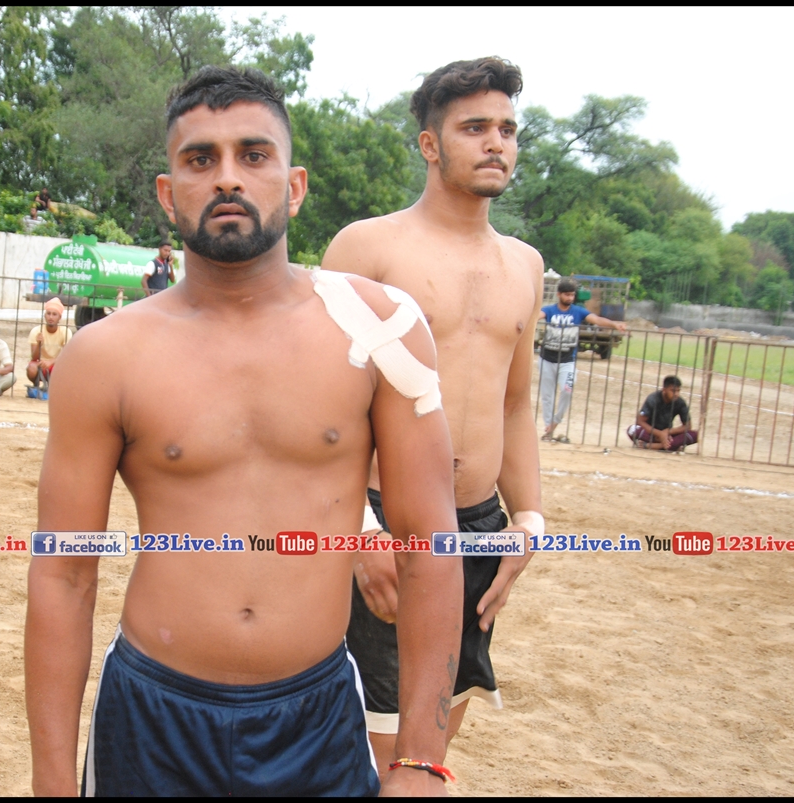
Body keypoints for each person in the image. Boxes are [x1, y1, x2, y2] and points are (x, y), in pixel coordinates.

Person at [25, 66, 461, 797]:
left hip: (317, 718)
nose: (227, 177)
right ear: (169, 193)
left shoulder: (382, 328)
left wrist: (421, 760)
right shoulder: (103, 357)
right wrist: (51, 784)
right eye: (200, 159)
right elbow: (64, 574)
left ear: (294, 185)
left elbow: (430, 546)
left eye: (253, 155)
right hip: (152, 719)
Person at [320, 56, 547, 771]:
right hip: (386, 520)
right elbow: (322, 407)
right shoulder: (367, 247)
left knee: (436, 743)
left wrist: (528, 520)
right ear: (429, 143)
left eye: (507, 128)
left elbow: (515, 401)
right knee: (381, 750)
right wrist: (358, 529)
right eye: (474, 127)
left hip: (478, 528)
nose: (496, 142)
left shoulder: (526, 265)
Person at [537, 277, 627, 442]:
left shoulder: (578, 311)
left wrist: (614, 324)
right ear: (559, 295)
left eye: (572, 295)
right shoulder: (550, 310)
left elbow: (597, 320)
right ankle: (548, 428)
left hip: (567, 360)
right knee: (547, 395)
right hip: (547, 359)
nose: (570, 298)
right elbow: (537, 315)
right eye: (567, 295)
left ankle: (556, 421)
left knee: (567, 389)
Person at [627, 375, 699, 450]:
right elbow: (640, 421)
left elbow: (687, 426)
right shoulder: (653, 399)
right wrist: (659, 434)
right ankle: (671, 446)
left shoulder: (680, 402)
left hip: (668, 435)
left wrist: (668, 431)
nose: (676, 394)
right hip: (651, 433)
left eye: (678, 391)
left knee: (696, 435)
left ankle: (650, 446)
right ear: (664, 390)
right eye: (673, 391)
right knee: (632, 429)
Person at [25, 297, 71, 399]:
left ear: (59, 317)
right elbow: (34, 357)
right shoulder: (36, 331)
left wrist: (51, 361)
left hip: (57, 363)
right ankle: (36, 385)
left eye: (54, 314)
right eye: (48, 313)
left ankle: (54, 387)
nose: (51, 317)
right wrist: (39, 344)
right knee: (31, 368)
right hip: (40, 363)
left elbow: (67, 355)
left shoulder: (65, 332)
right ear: (44, 315)